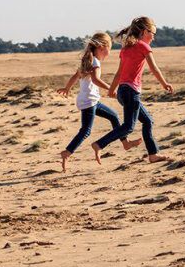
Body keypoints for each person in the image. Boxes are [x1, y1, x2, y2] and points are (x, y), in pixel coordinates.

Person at [91, 17, 174, 164]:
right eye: (152, 32)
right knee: (129, 126)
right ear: (144, 32)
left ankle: (153, 154)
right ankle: (99, 144)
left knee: (147, 121)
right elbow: (154, 68)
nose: (154, 36)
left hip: (123, 92)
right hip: (131, 92)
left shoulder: (125, 49)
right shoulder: (143, 47)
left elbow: (118, 73)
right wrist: (164, 83)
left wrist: (112, 90)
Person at [57, 32, 142, 172]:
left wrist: (67, 88)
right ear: (102, 47)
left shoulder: (87, 60)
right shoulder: (94, 61)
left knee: (113, 116)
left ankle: (125, 142)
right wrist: (112, 88)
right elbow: (95, 80)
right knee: (86, 131)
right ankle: (67, 152)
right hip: (89, 102)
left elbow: (75, 76)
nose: (109, 52)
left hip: (91, 100)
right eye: (109, 48)